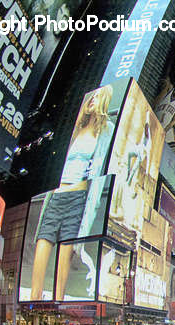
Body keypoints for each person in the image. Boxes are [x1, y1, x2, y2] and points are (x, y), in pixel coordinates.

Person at [31, 85, 114, 301]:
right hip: (57, 195)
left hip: (78, 198)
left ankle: (57, 302)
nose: (93, 99)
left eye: (98, 96)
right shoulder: (75, 129)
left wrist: (86, 224)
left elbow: (98, 176)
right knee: (42, 243)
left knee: (64, 254)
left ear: (104, 101)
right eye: (92, 96)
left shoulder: (105, 130)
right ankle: (34, 301)